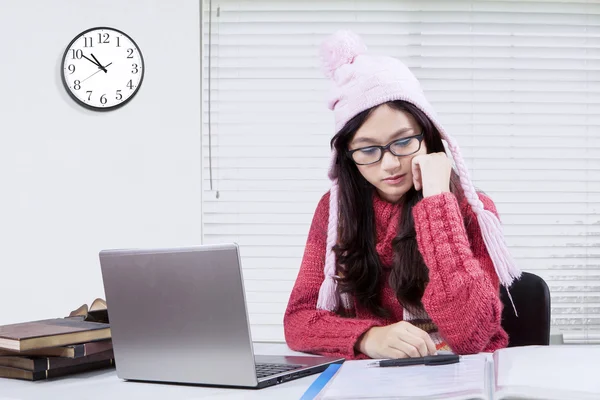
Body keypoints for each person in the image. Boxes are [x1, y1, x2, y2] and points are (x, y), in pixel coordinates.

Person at [283, 30, 522, 360]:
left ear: (429, 135)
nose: (390, 164)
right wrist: (369, 337)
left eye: (403, 141)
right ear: (347, 156)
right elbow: (298, 321)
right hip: (373, 382)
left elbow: (471, 335)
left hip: (460, 378)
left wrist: (438, 202)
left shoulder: (472, 209)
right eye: (368, 150)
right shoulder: (335, 210)